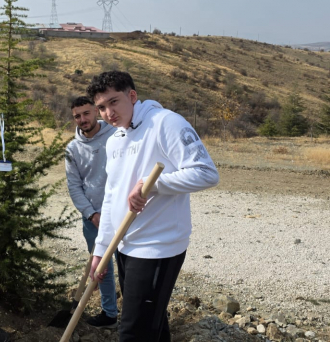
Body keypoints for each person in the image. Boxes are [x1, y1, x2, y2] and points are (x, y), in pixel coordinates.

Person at [87, 71, 219, 342]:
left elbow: (206, 172)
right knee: (153, 329)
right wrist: (100, 251)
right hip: (125, 246)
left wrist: (152, 185)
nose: (108, 113)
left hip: (158, 246)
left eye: (114, 102)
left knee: (134, 333)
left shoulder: (166, 123)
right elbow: (111, 196)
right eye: (101, 107)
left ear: (132, 96)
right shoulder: (115, 140)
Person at [65, 96, 118, 328]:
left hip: (123, 213)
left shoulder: (117, 135)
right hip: (93, 219)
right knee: (101, 269)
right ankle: (110, 313)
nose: (82, 119)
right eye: (77, 116)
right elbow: (74, 186)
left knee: (133, 265)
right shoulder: (72, 149)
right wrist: (91, 214)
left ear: (96, 112)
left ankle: (145, 311)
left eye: (86, 113)